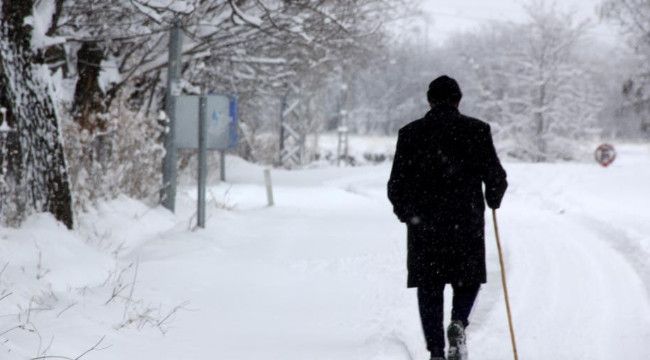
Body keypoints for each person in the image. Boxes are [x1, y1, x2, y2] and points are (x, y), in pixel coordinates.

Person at [387, 75, 507, 360]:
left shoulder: (410, 133)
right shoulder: (477, 130)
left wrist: (408, 215)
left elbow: (396, 186)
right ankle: (458, 323)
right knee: (467, 280)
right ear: (458, 100)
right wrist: (493, 197)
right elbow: (496, 177)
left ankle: (437, 351)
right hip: (465, 223)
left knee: (429, 287)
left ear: (429, 100)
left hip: (424, 226)